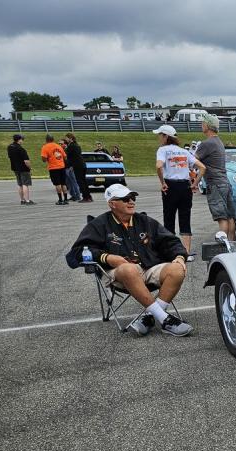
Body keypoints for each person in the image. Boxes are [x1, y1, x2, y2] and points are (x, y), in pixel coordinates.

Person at [69, 184, 192, 337]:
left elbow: (170, 241)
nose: (131, 202)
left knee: (177, 269)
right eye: (125, 199)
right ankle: (165, 319)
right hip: (117, 274)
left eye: (132, 198)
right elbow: (78, 251)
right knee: (129, 269)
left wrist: (180, 256)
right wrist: (107, 257)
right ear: (112, 204)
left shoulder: (145, 221)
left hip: (148, 267)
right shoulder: (99, 224)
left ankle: (152, 317)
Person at [154, 124, 206, 255]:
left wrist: (162, 182)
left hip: (170, 186)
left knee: (169, 218)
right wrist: (195, 183)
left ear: (166, 136)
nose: (159, 138)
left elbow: (159, 166)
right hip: (185, 187)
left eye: (160, 135)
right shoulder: (184, 151)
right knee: (185, 218)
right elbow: (203, 167)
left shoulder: (162, 150)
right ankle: (186, 252)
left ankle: (171, 250)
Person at [195, 113, 235, 240]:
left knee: (221, 218)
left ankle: (223, 247)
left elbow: (193, 161)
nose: (201, 125)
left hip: (215, 184)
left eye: (202, 123)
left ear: (207, 125)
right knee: (230, 217)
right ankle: (232, 246)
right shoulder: (219, 142)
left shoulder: (207, 143)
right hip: (225, 183)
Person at [40, 134, 69, 204]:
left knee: (57, 184)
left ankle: (60, 200)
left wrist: (48, 159)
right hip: (62, 166)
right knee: (63, 184)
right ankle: (66, 199)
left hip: (53, 168)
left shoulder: (45, 147)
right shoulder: (58, 146)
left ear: (46, 140)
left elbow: (43, 159)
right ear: (53, 139)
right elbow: (65, 157)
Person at [7, 133, 34, 205]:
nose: (22, 141)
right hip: (23, 169)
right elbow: (26, 161)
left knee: (20, 184)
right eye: (22, 139)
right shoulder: (21, 149)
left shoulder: (9, 147)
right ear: (19, 140)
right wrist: (30, 168)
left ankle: (22, 200)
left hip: (15, 168)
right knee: (25, 184)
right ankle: (28, 200)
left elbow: (10, 157)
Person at [64, 133, 92, 202]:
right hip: (82, 165)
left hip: (78, 166)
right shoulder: (76, 145)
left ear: (70, 138)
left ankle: (86, 197)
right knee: (84, 182)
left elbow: (67, 155)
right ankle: (88, 197)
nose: (66, 139)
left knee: (81, 182)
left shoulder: (71, 146)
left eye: (67, 138)